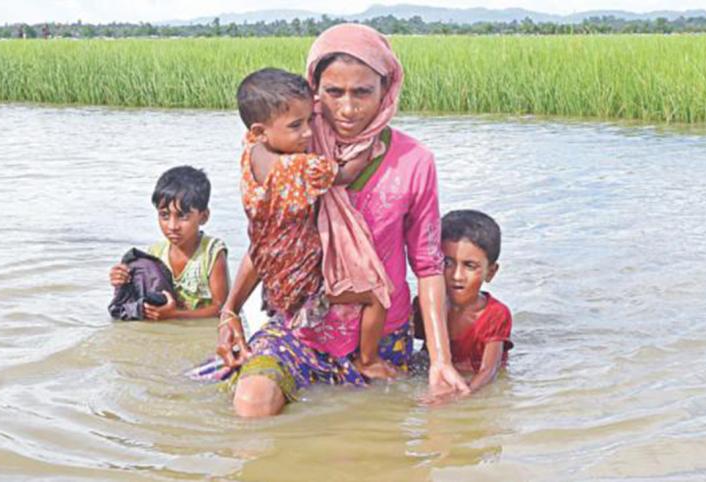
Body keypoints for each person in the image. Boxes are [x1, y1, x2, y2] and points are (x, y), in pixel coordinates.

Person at [217, 24, 468, 417]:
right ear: (314, 89)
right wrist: (229, 309)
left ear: (386, 90)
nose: (348, 109)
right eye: (333, 92)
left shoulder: (414, 161)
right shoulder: (290, 147)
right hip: (300, 327)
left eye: (362, 92)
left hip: (381, 333)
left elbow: (428, 264)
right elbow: (270, 239)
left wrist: (440, 362)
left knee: (372, 436)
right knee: (252, 404)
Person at [233, 67, 396, 379]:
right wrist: (371, 145)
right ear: (260, 130)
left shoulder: (251, 153)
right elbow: (345, 174)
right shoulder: (301, 168)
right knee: (376, 295)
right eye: (296, 125)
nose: (309, 133)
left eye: (311, 120)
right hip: (304, 283)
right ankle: (369, 360)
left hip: (273, 279)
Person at [109, 166, 229, 320]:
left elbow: (221, 308)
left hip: (192, 326)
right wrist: (121, 279)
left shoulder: (211, 253)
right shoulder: (155, 253)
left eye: (182, 216)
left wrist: (176, 315)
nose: (172, 226)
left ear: (203, 216)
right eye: (164, 215)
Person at [414, 210, 513, 394]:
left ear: (490, 272)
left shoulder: (494, 314)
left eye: (469, 266)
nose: (457, 276)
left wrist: (463, 396)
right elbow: (421, 354)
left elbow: (489, 371)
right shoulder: (426, 305)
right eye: (447, 263)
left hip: (474, 382)